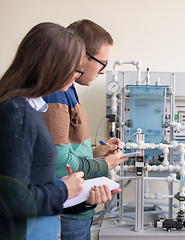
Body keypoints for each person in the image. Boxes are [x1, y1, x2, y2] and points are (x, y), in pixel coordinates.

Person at [0, 22, 121, 240]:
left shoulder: (33, 108)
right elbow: (15, 198)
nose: (77, 74)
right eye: (75, 68)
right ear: (53, 65)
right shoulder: (16, 110)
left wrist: (83, 196)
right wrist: (65, 189)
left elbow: (38, 175)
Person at [42, 19, 126, 240]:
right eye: (102, 63)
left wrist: (95, 152)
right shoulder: (56, 92)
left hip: (77, 210)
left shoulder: (68, 89)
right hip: (65, 215)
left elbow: (65, 146)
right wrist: (103, 166)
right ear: (81, 55)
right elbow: (59, 163)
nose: (102, 71)